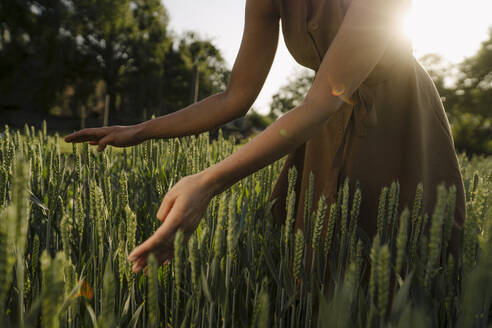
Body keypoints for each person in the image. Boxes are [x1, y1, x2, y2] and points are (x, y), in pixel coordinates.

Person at [65, 0, 466, 275]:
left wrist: (206, 184)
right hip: (324, 123)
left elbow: (322, 100)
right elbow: (236, 95)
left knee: (400, 257)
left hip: (398, 123)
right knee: (319, 262)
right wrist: (139, 130)